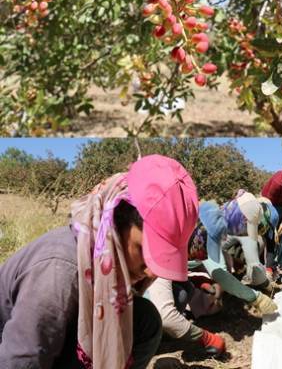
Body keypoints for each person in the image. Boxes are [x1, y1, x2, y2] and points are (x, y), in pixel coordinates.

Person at [0, 155, 199, 368]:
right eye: (142, 249)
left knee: (145, 320)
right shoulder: (59, 270)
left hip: (58, 339)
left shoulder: (106, 255)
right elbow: (20, 361)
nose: (151, 272)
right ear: (115, 221)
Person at [187, 190, 279, 315]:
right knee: (212, 295)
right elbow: (221, 275)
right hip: (164, 269)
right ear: (242, 221)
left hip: (190, 260)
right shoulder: (211, 230)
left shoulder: (219, 215)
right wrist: (255, 297)